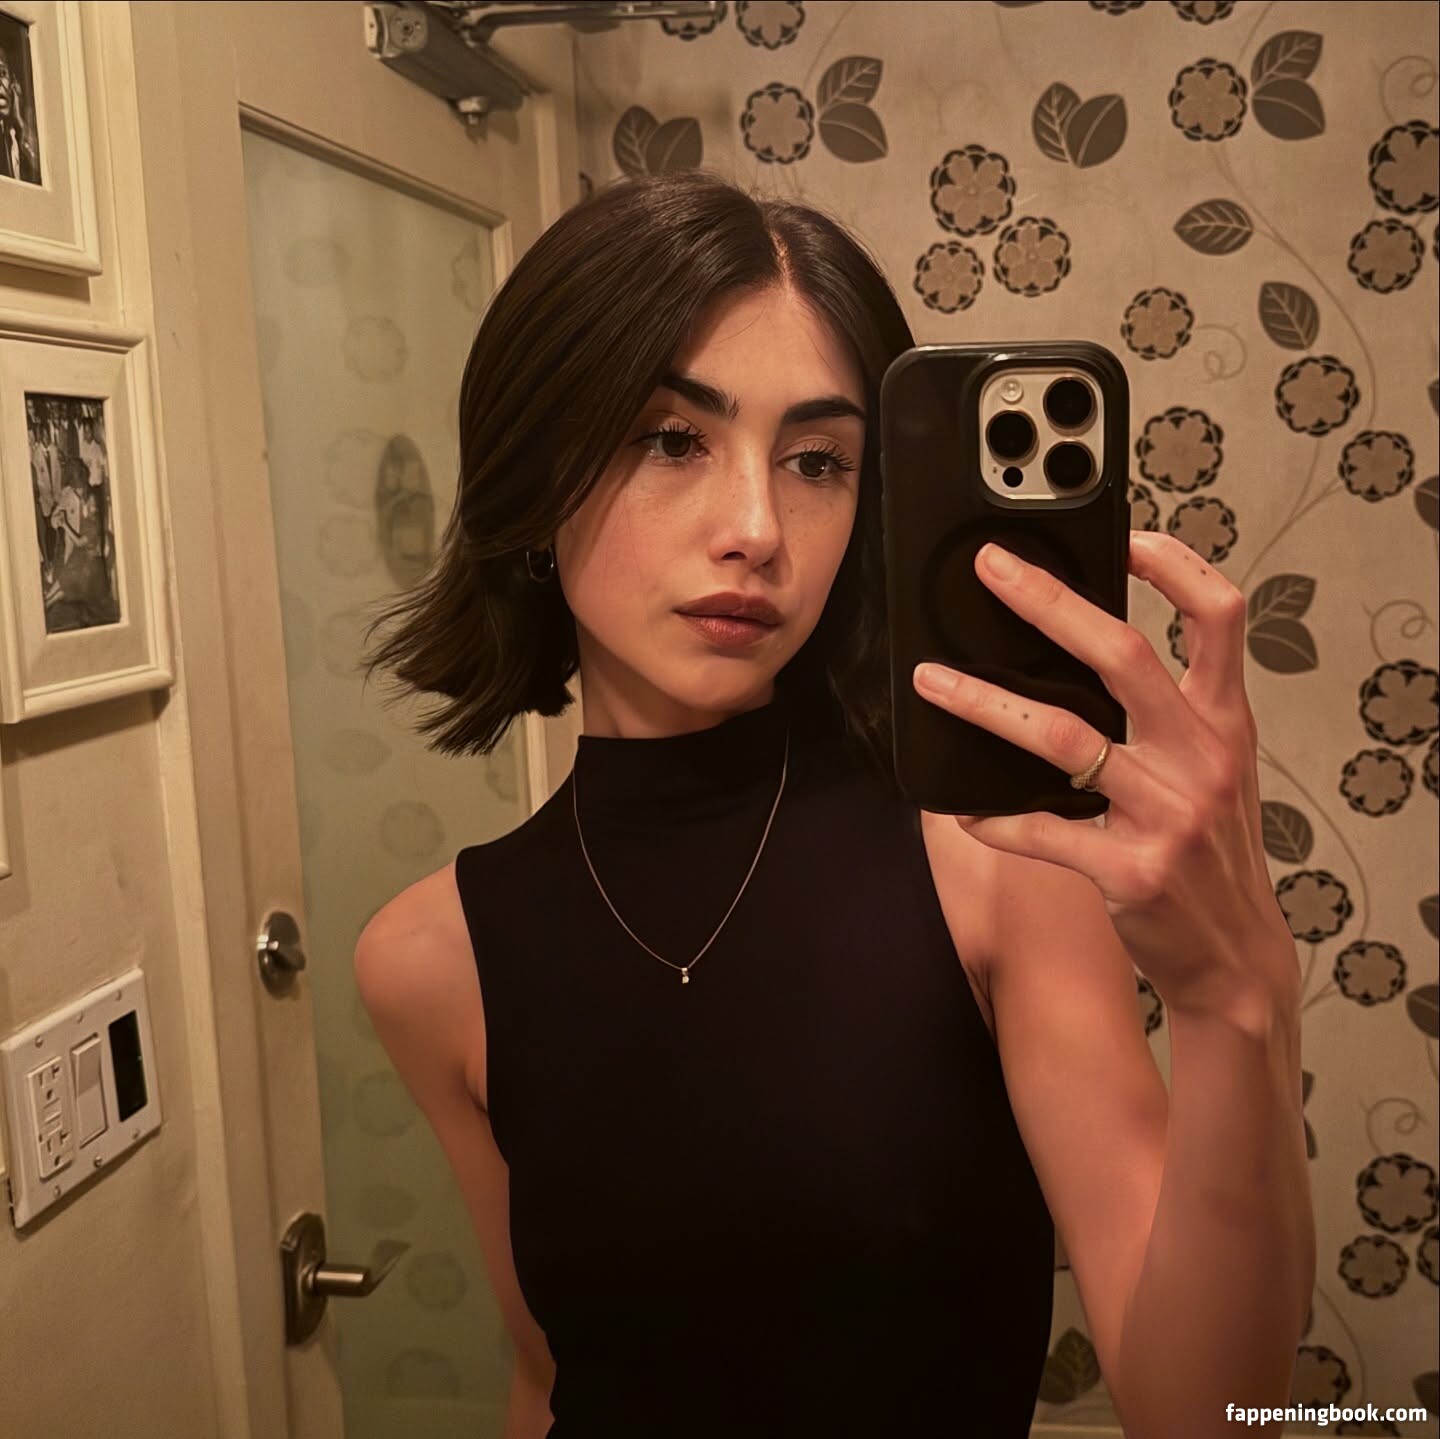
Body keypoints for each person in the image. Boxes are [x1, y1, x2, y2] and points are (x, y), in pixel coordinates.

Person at [353, 170, 1313, 1439]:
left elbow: (1209, 1416)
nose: (757, 527)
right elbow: (545, 1378)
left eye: (818, 461)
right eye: (671, 438)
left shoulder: (989, 862)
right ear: (534, 477)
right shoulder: (428, 957)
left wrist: (1238, 990)